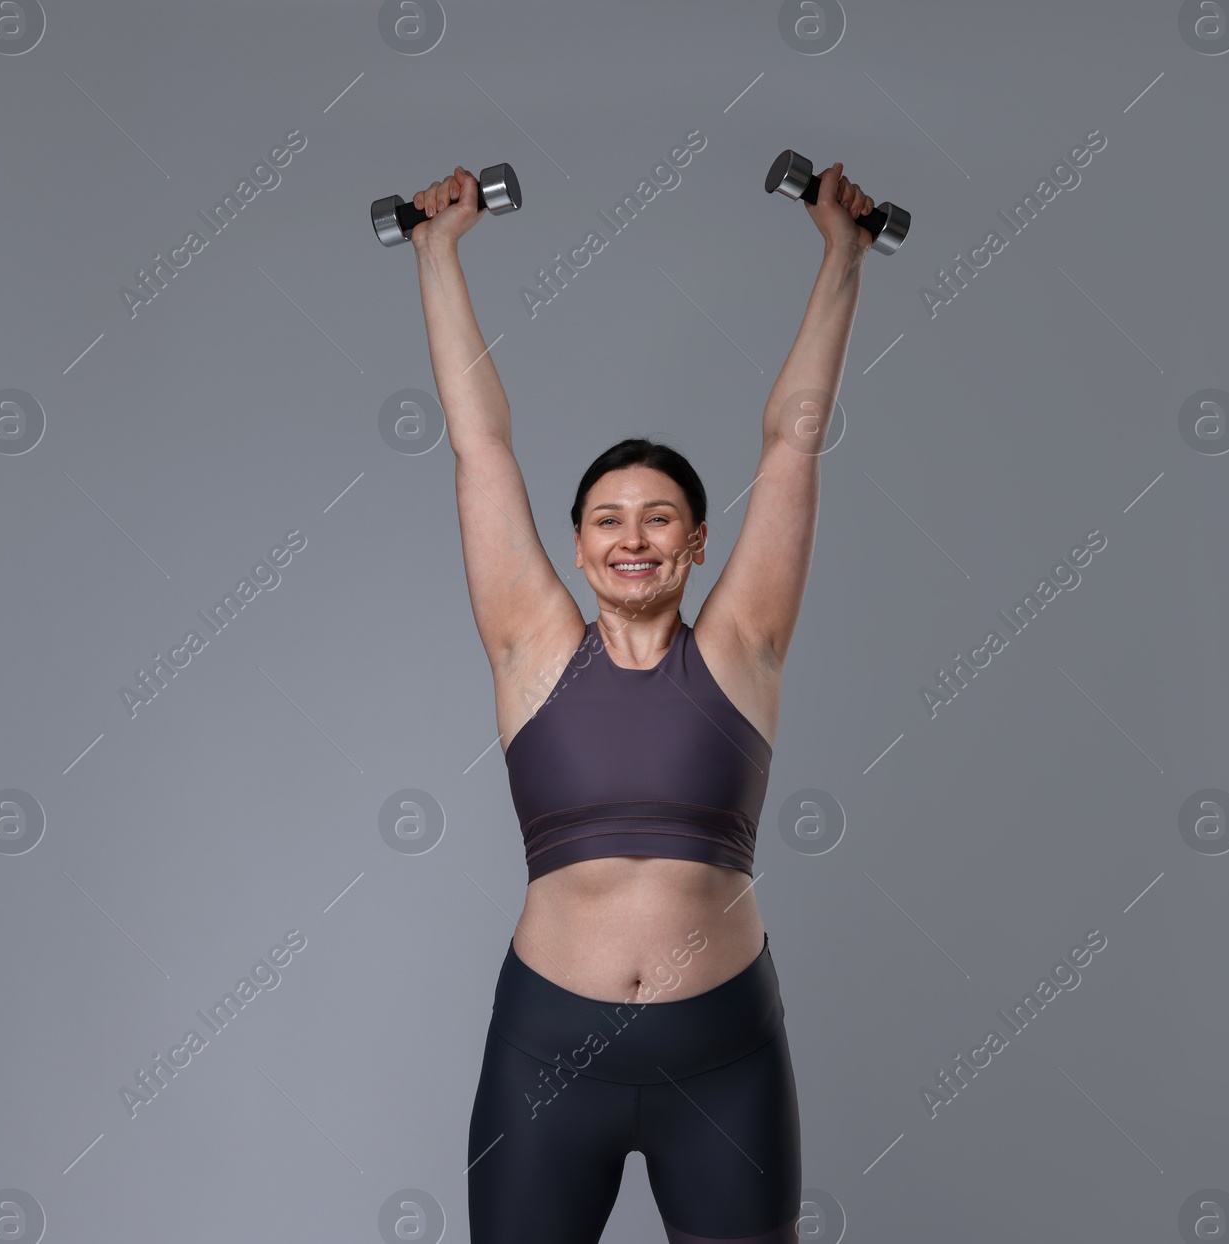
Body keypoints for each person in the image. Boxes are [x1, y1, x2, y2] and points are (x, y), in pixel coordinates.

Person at [406, 159, 875, 1244]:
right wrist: (438, 254)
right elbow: (480, 444)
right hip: (544, 1052)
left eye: (660, 517)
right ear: (574, 544)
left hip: (724, 1056)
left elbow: (792, 440)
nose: (632, 536)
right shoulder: (530, 646)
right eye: (608, 518)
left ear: (698, 543)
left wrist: (843, 258)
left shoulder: (742, 647)